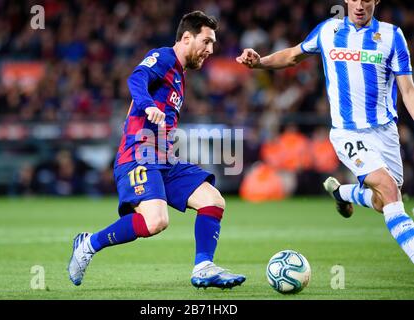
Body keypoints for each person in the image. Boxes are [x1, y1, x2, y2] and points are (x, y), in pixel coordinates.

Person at [68, 11, 246, 288]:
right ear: (187, 37)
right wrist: (148, 105)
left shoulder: (180, 75)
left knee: (212, 199)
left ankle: (203, 267)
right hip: (137, 155)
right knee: (156, 221)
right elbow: (136, 79)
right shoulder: (164, 57)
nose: (211, 50)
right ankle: (89, 244)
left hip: (163, 158)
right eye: (207, 42)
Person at [237, 0, 414, 263]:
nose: (360, 5)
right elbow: (293, 55)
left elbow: (408, 90)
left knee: (384, 201)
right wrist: (259, 62)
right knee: (388, 189)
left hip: (385, 132)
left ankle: (342, 192)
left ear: (376, 0)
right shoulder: (328, 31)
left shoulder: (391, 36)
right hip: (347, 132)